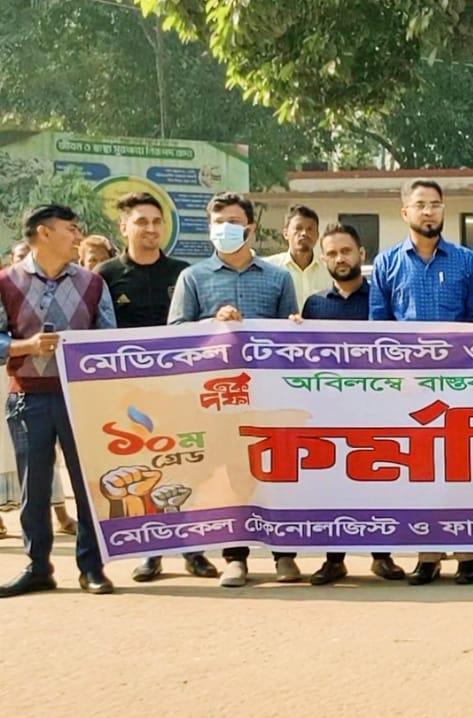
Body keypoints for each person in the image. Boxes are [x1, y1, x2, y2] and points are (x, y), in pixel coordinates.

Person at [170, 192, 300, 588]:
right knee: (232, 477)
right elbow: (175, 333)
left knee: (275, 472)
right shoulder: (193, 278)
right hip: (218, 397)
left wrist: (295, 326)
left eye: (233, 222)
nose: (224, 229)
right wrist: (212, 323)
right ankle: (235, 557)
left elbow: (290, 335)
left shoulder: (278, 278)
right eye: (218, 222)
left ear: (250, 228)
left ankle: (284, 555)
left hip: (268, 395)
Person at [369, 178, 473, 585]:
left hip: (459, 383)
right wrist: (399, 375)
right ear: (405, 212)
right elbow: (378, 328)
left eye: (435, 204)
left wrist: (463, 372)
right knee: (421, 470)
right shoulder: (386, 264)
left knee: (462, 467)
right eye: (420, 204)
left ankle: (468, 555)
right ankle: (428, 554)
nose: (428, 211)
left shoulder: (467, 262)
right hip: (409, 386)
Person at [96, 191, 218, 582]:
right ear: (123, 227)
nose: (150, 229)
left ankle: (194, 550)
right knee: (142, 474)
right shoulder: (105, 276)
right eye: (141, 222)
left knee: (187, 468)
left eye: (156, 222)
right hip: (128, 396)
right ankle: (151, 551)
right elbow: (96, 333)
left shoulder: (183, 273)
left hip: (180, 390)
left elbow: (199, 328)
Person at [0, 205, 116, 598]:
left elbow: (108, 338)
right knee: (33, 487)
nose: (77, 236)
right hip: (27, 397)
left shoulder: (93, 283)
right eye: (71, 228)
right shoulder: (6, 282)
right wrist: (26, 346)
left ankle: (92, 567)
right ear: (43, 232)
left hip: (80, 398)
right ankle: (37, 568)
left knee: (88, 486)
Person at [299, 224, 408, 586]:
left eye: (346, 251)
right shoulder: (314, 305)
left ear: (361, 254)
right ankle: (334, 559)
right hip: (330, 411)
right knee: (333, 483)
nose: (340, 259)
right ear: (323, 258)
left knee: (377, 480)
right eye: (332, 253)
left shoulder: (381, 299)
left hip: (378, 407)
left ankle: (382, 555)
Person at [262, 204, 335, 307]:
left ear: (317, 235)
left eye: (310, 229)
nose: (304, 233)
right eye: (298, 228)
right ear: (286, 233)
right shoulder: (269, 268)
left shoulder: (329, 271)